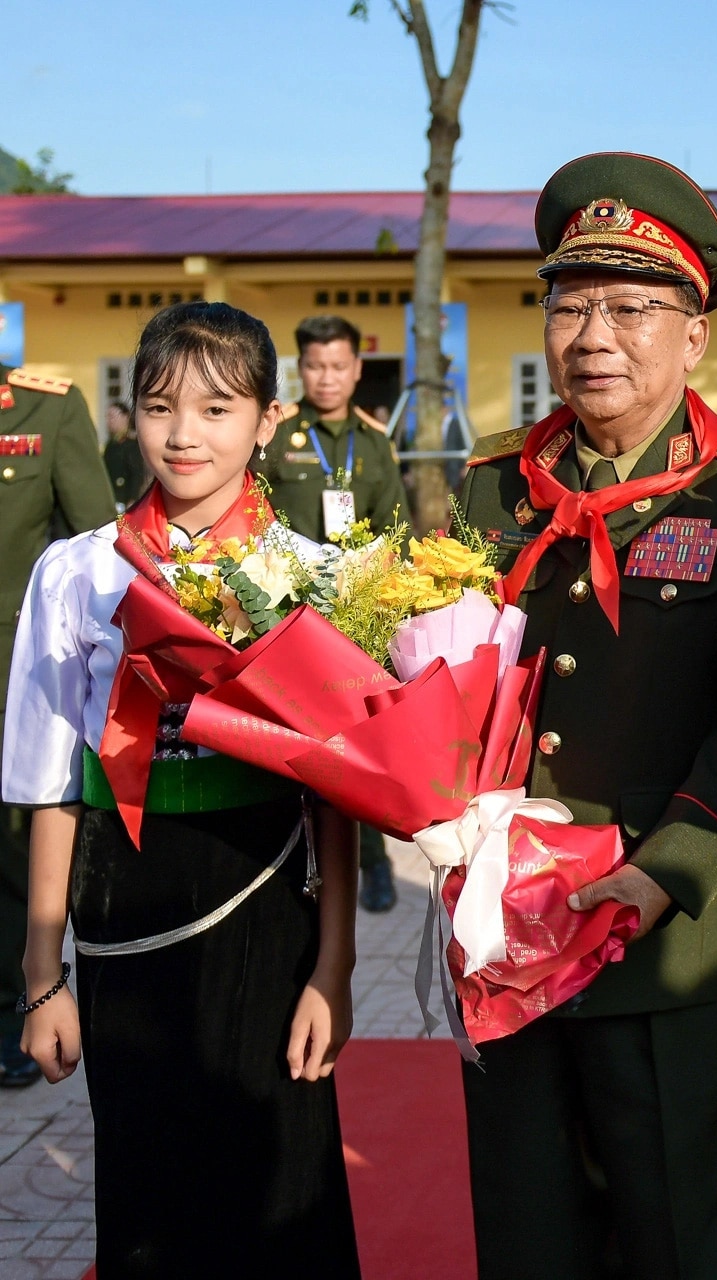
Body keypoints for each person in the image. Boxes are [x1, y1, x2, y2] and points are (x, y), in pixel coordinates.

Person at [457, 153, 717, 1280]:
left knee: (685, 1240)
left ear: (694, 334)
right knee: (532, 1233)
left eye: (630, 307)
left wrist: (670, 865)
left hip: (670, 940)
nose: (594, 335)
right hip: (509, 929)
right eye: (570, 305)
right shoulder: (492, 490)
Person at [3, 302, 360, 1275]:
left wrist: (334, 965)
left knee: (283, 1173)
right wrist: (43, 977)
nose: (185, 434)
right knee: (147, 1175)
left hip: (265, 894)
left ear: (268, 419)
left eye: (215, 407)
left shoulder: (312, 575)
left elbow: (335, 791)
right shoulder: (77, 574)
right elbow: (48, 784)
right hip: (128, 901)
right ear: (130, 416)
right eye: (160, 407)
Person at [263, 313, 408, 913]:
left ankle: (369, 863)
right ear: (301, 370)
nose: (327, 378)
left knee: (357, 741)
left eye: (339, 366)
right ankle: (290, 860)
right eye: (315, 366)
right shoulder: (278, 437)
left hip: (355, 617)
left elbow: (394, 528)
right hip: (287, 619)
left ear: (356, 370)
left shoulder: (374, 442)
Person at [0, 363, 116, 1090]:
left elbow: (94, 549)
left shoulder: (47, 406)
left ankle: (18, 1002)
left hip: (15, 675)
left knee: (14, 855)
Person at [101, 399, 150, 510]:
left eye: (112, 416)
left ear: (125, 417)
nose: (109, 421)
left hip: (123, 501)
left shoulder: (132, 444)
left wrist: (132, 499)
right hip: (110, 499)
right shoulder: (111, 444)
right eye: (107, 417)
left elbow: (136, 473)